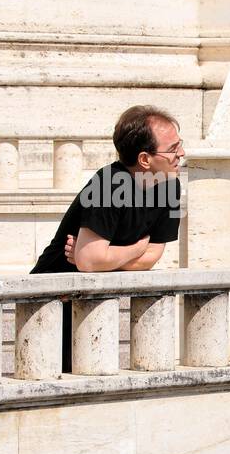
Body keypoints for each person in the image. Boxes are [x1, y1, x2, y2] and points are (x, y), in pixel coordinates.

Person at [30, 105, 186, 372]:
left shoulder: (171, 185)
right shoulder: (109, 183)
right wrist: (136, 247)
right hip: (52, 303)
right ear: (145, 159)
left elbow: (152, 257)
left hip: (93, 300)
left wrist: (104, 258)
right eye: (172, 149)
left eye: (179, 145)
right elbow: (93, 260)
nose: (181, 154)